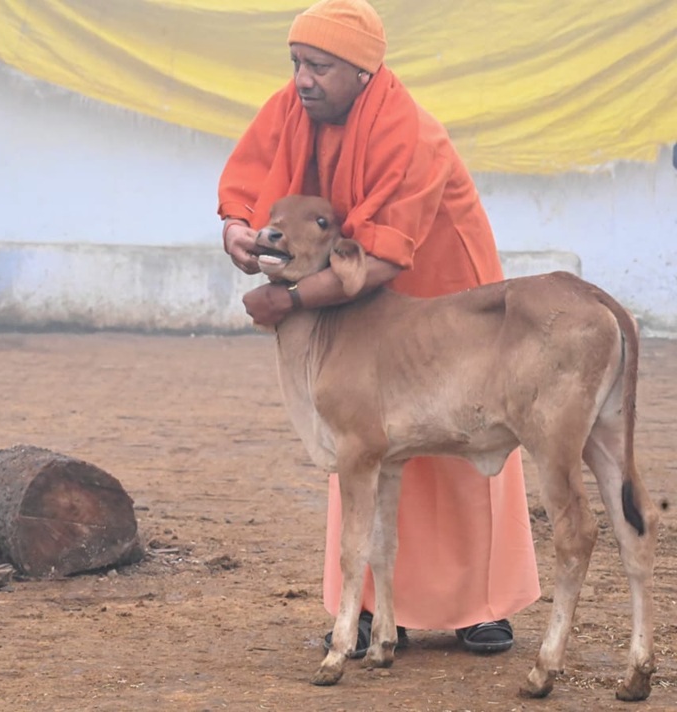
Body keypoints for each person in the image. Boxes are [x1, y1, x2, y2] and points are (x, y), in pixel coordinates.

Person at [217, 0, 541, 656]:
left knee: (465, 431)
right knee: (357, 438)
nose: (303, 78)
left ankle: (480, 605)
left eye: (319, 66)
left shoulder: (411, 131)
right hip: (348, 285)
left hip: (443, 283)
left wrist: (291, 300)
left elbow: (388, 253)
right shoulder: (297, 106)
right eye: (297, 63)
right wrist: (239, 231)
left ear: (364, 73)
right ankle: (361, 604)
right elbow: (251, 185)